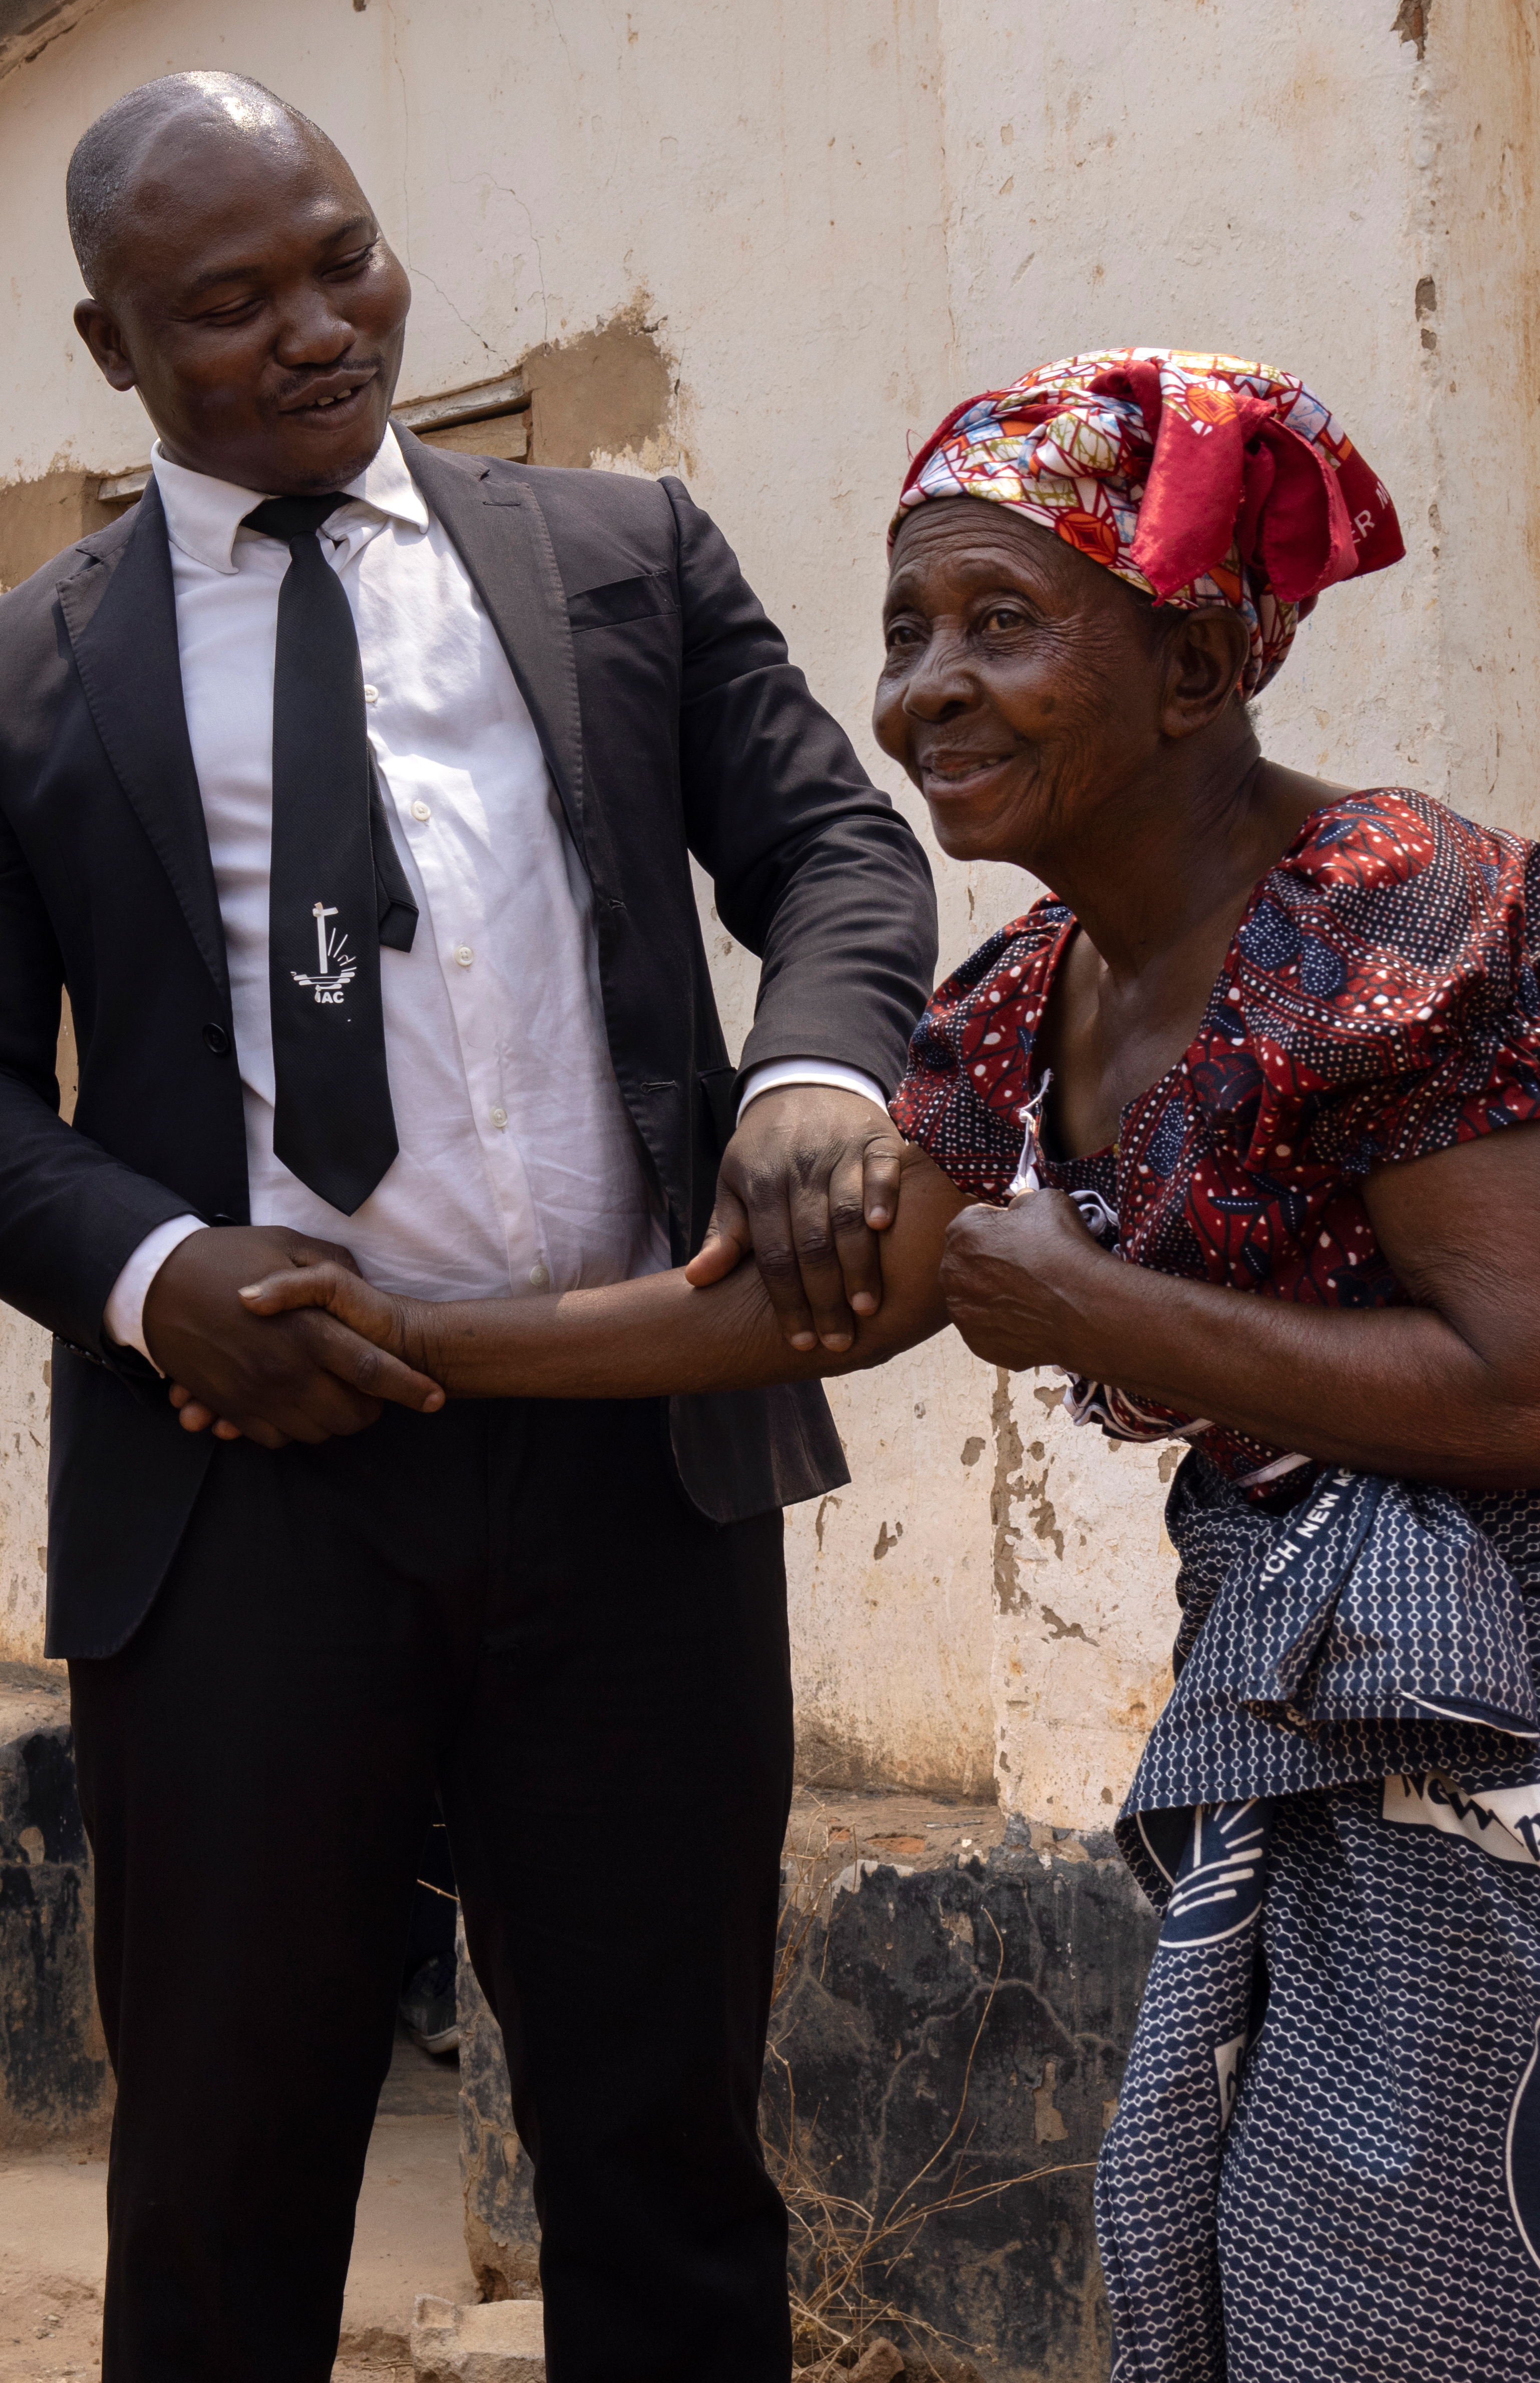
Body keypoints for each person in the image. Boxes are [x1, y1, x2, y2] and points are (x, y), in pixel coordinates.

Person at [266, 347, 1540, 2381]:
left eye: (1002, 622)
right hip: (1319, 1696)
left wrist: (1100, 1306)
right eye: (906, 629)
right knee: (1257, 2244)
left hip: (1490, 1714)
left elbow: (1514, 1389)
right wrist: (399, 1331)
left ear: (1198, 673)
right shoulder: (1031, 989)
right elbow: (806, 1306)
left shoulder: (1397, 916)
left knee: (1409, 2262)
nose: (924, 687)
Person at [0, 70, 939, 2383]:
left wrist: (815, 1076)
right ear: (115, 353)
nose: (321, 329)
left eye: (347, 256)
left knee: (664, 2151)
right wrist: (149, 1270)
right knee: (225, 2182)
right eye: (230, 304)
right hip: (240, 1495)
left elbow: (833, 850)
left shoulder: (620, 554)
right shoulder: (27, 670)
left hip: (636, 1464)